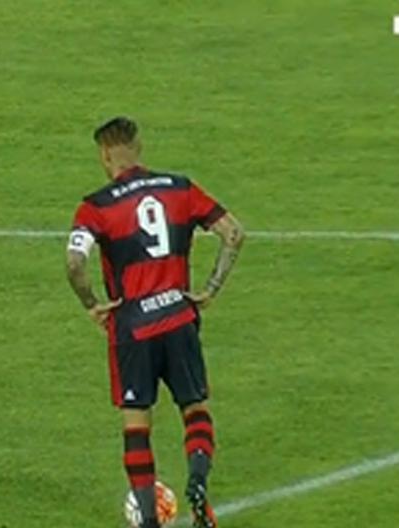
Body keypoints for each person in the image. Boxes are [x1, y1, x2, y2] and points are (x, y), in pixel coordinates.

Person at [65, 117, 245, 528]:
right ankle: (198, 483)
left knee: (136, 424)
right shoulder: (179, 188)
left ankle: (148, 521)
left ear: (105, 154)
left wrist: (93, 303)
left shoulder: (96, 205)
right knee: (195, 408)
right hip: (179, 319)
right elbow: (233, 234)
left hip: (133, 329)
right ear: (138, 146)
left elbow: (75, 262)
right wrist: (211, 288)